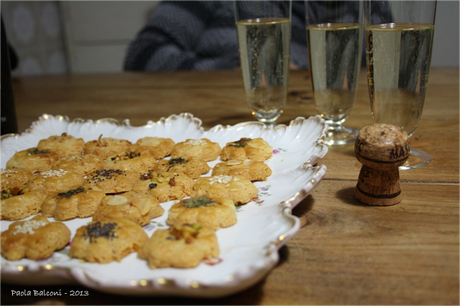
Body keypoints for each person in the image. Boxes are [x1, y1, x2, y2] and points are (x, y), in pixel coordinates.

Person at [124, 0, 390, 72]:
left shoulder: (362, 5)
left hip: (330, 140)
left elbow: (392, 69)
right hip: (220, 121)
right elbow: (143, 55)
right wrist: (233, 68)